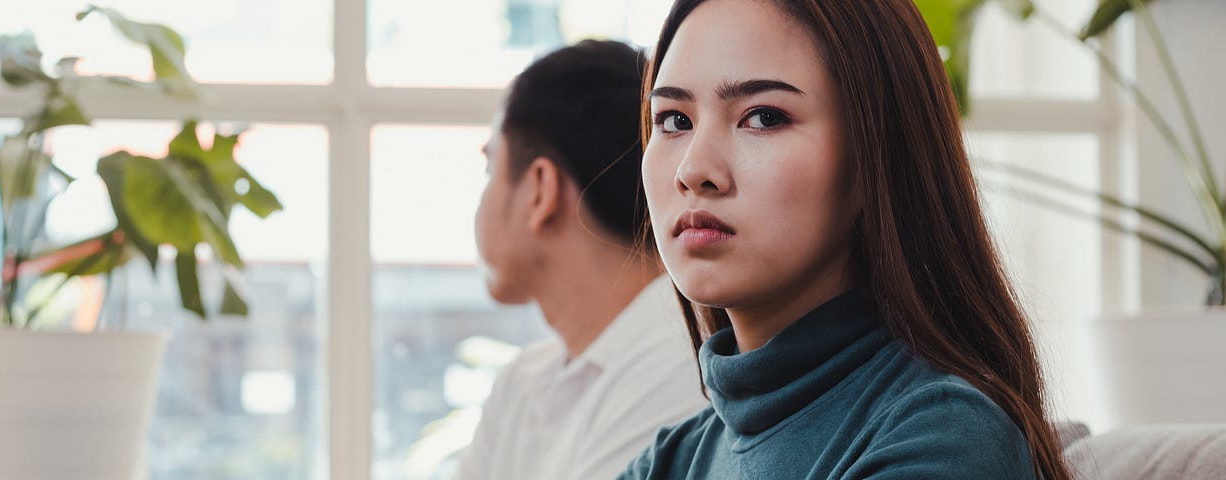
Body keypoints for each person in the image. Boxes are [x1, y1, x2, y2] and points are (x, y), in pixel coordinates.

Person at [620, 0, 1072, 478]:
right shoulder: (673, 458)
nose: (694, 170)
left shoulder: (945, 437)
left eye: (764, 117)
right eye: (674, 120)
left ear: (876, 154)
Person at [455, 39, 708, 480]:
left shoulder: (682, 367)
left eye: (489, 169)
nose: (478, 201)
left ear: (539, 189)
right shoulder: (523, 381)